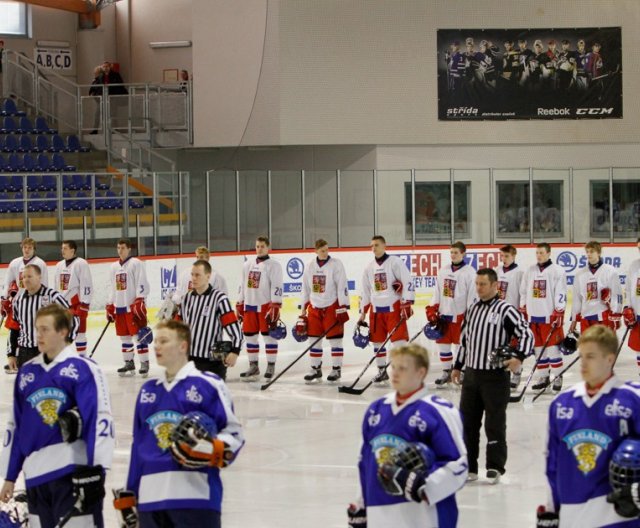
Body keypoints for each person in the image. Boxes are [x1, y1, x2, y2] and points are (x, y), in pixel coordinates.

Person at [115, 320, 244, 528]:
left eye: (164, 341)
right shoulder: (148, 391)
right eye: (156, 341)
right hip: (150, 501)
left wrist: (213, 449)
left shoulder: (208, 384)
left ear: (183, 346)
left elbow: (234, 434)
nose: (156, 346)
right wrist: (131, 494)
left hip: (195, 498)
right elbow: (138, 448)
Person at [0, 304, 114, 527]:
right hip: (35, 479)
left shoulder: (83, 368)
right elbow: (16, 428)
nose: (38, 335)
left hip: (71, 474)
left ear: (63, 332)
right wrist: (10, 477)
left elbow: (98, 420)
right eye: (37, 329)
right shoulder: (27, 373)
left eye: (45, 329)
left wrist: (96, 471)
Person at [349, 343, 467, 528]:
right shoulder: (376, 410)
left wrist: (424, 487)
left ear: (421, 372)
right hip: (380, 511)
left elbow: (459, 466)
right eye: (393, 366)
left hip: (423, 516)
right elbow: (365, 462)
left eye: (402, 368)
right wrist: (361, 505)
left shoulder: (438, 411)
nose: (394, 373)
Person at [537, 325, 640, 527]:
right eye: (582, 356)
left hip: (618, 517)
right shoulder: (562, 404)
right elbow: (552, 462)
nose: (583, 363)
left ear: (610, 359)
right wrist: (551, 510)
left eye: (591, 357)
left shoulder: (632, 399)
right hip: (572, 515)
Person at [452, 268, 534, 484]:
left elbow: (526, 333)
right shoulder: (472, 310)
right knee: (468, 423)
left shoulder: (506, 310)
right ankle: (469, 466)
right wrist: (457, 366)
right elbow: (465, 342)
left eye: (483, 284)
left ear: (495, 285)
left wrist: (519, 357)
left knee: (494, 423)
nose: (478, 288)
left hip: (495, 377)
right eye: (477, 284)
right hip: (471, 376)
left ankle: (494, 466)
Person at [358, 235, 414, 384]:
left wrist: (406, 303)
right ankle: (381, 371)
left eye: (376, 245)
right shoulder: (369, 267)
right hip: (376, 311)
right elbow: (365, 291)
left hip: (393, 309)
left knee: (399, 342)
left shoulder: (395, 262)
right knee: (377, 342)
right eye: (371, 246)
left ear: (384, 246)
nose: (373, 248)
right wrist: (363, 312)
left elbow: (407, 281)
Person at [180, 260, 242, 380]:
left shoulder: (219, 299)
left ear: (208, 276)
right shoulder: (187, 298)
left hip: (212, 364)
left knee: (212, 398)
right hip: (189, 361)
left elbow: (234, 329)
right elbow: (180, 327)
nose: (193, 278)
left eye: (197, 275)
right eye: (192, 274)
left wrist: (235, 351)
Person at [299, 239, 350, 382]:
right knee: (314, 340)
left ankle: (336, 369)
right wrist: (303, 308)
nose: (325, 252)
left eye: (327, 249)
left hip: (332, 306)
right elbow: (306, 288)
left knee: (335, 340)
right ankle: (315, 369)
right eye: (322, 250)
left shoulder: (336, 264)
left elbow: (342, 285)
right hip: (314, 308)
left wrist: (343, 306)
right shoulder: (309, 265)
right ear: (316, 251)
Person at [426, 241, 476, 387]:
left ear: (463, 254)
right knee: (444, 346)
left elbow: (472, 296)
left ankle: (463, 372)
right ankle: (446, 372)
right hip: (444, 316)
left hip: (460, 317)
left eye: (456, 252)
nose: (453, 255)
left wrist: (469, 316)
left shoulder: (470, 272)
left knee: (461, 347)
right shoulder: (444, 270)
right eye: (451, 252)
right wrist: (432, 308)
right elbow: (437, 291)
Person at [519, 242, 567, 392]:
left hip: (549, 317)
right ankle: (543, 376)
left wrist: (559, 311)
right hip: (533, 317)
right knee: (538, 349)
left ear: (548, 253)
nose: (539, 255)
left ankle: (558, 376)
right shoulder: (530, 271)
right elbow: (524, 291)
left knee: (553, 349)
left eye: (541, 252)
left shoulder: (557, 271)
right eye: (537, 253)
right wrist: (523, 308)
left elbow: (561, 292)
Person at [236, 236, 283, 380]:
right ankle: (253, 366)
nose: (259, 249)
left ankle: (270, 365)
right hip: (249, 306)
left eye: (262, 246)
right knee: (250, 337)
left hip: (265, 307)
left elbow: (277, 285)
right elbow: (243, 285)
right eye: (257, 246)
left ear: (268, 247)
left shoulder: (274, 265)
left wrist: (275, 304)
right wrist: (239, 302)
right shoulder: (247, 264)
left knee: (269, 338)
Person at [12, 265, 78, 367]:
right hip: (24, 353)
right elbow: (15, 328)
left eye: (29, 276)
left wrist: (67, 341)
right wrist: (11, 354)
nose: (26, 280)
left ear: (39, 277)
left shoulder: (52, 296)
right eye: (24, 277)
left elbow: (73, 319)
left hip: (49, 351)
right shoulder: (18, 301)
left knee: (50, 383)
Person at [106, 239, 150, 376]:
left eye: (123, 248)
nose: (120, 250)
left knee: (139, 336)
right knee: (124, 338)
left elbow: (142, 283)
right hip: (119, 307)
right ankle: (128, 362)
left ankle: (144, 363)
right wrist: (110, 304)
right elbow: (112, 287)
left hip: (132, 307)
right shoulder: (113, 267)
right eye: (118, 247)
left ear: (129, 249)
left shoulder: (136, 263)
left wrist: (139, 300)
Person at [569, 241, 622, 335]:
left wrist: (616, 316)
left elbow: (617, 295)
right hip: (585, 319)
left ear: (599, 253)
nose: (589, 254)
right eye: (587, 251)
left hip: (603, 318)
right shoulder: (579, 275)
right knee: (587, 349)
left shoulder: (610, 271)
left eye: (592, 251)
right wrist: (574, 320)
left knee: (604, 348)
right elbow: (577, 299)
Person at [54, 240, 93, 356]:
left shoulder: (81, 263)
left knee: (80, 334)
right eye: (62, 248)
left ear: (73, 250)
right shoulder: (59, 265)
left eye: (65, 248)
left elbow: (86, 284)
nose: (62, 251)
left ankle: (82, 359)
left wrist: (85, 304)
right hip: (62, 307)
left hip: (76, 306)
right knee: (61, 334)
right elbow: (56, 286)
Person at [624, 237, 640, 376]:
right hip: (638, 314)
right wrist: (627, 307)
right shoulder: (634, 266)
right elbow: (629, 289)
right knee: (638, 346)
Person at [88, 65, 103, 134]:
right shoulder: (95, 80)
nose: (95, 74)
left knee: (102, 115)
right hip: (98, 100)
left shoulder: (101, 79)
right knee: (97, 115)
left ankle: (100, 129)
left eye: (96, 72)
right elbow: (91, 89)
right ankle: (95, 129)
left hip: (103, 99)